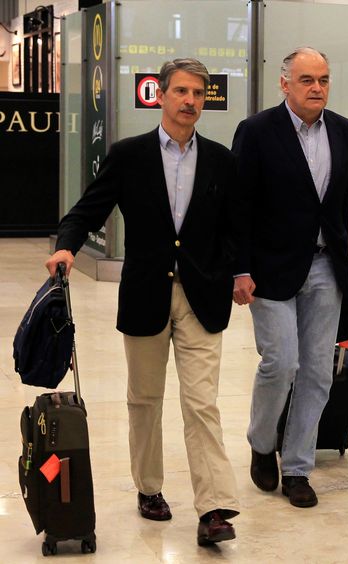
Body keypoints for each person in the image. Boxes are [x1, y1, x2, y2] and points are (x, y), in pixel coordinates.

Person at [45, 58, 242, 546]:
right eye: (181, 91)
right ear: (161, 95)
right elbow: (88, 209)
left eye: (198, 93)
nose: (190, 101)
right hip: (145, 293)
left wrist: (239, 271)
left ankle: (214, 507)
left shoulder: (220, 160)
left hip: (202, 296)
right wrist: (66, 246)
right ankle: (149, 488)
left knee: (202, 403)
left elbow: (235, 227)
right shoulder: (129, 155)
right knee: (145, 400)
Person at [230, 47, 348, 508]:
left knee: (319, 372)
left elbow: (339, 201)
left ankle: (299, 466)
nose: (317, 88)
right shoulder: (257, 131)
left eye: (323, 79)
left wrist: (343, 254)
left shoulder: (345, 130)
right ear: (284, 84)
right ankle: (263, 443)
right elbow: (239, 204)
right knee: (281, 362)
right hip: (270, 269)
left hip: (325, 265)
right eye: (306, 80)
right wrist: (240, 268)